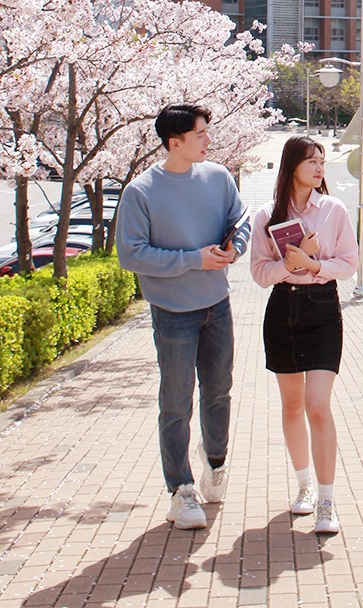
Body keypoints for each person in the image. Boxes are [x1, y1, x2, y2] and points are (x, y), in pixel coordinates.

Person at [117, 104, 250, 531]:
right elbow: (131, 254)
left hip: (217, 305)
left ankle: (216, 462)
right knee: (176, 402)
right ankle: (181, 490)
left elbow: (241, 220)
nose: (208, 140)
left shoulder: (219, 177)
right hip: (173, 311)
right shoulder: (141, 192)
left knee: (219, 391)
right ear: (175, 143)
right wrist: (194, 259)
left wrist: (235, 248)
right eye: (200, 134)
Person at [250, 135, 358, 535]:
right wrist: (290, 265)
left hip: (323, 309)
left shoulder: (333, 209)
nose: (318, 168)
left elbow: (349, 264)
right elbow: (259, 273)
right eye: (311, 161)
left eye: (321, 162)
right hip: (283, 309)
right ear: (291, 165)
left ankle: (327, 501)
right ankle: (304, 486)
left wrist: (312, 265)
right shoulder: (266, 215)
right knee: (292, 406)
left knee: (317, 405)